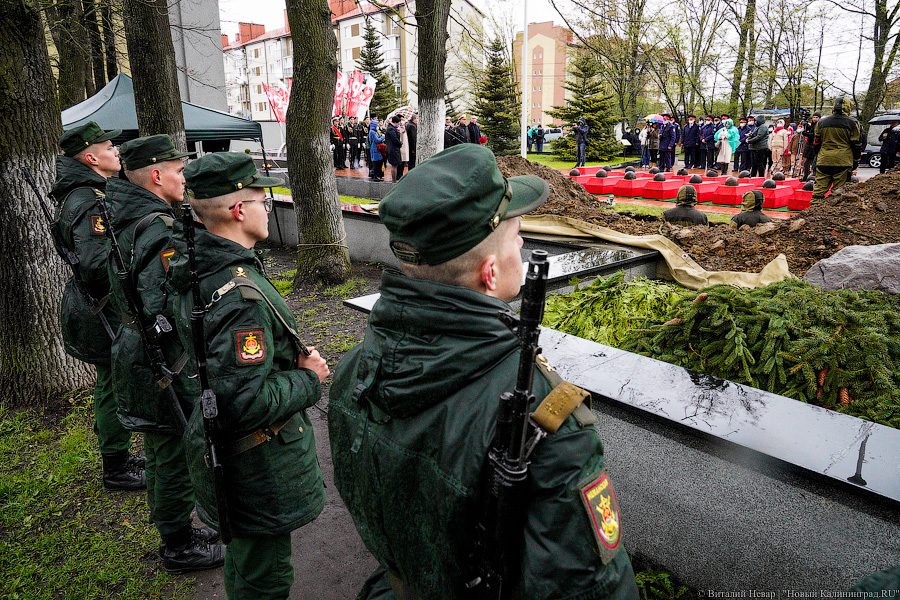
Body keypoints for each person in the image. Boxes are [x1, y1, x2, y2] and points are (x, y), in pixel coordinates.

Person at [328, 143, 639, 600]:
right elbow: (591, 588)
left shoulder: (356, 368)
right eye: (517, 238)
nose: (523, 246)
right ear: (490, 274)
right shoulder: (544, 420)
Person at [169, 153, 330, 599]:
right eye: (264, 199)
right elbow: (243, 399)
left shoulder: (200, 266)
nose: (268, 207)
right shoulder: (240, 295)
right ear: (239, 210)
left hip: (225, 451)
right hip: (254, 463)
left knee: (245, 561)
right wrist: (308, 378)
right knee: (266, 575)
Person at [105, 135, 225, 574]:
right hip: (158, 358)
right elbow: (165, 305)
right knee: (172, 451)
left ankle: (174, 531)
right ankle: (178, 545)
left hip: (135, 348)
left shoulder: (124, 214)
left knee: (161, 450)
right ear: (156, 175)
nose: (184, 177)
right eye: (178, 170)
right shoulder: (156, 227)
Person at [51, 121, 145, 491]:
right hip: (101, 308)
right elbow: (95, 265)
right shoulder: (90, 199)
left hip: (95, 305)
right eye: (110, 147)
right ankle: (116, 466)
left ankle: (117, 453)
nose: (117, 152)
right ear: (91, 157)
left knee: (111, 382)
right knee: (111, 383)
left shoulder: (87, 192)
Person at [812, 96, 863, 204]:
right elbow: (856, 144)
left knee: (818, 190)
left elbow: (816, 143)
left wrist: (817, 156)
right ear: (848, 107)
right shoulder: (853, 123)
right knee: (838, 192)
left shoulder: (821, 122)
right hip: (843, 161)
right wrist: (856, 160)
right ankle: (833, 214)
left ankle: (813, 214)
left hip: (824, 159)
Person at [801, 112, 821, 180]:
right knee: (807, 163)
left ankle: (810, 177)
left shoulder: (818, 125)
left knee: (811, 163)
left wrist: (804, 133)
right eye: (814, 117)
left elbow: (813, 134)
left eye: (816, 117)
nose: (815, 119)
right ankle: (806, 176)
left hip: (814, 146)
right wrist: (806, 126)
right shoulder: (813, 124)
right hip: (809, 145)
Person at [386, 115, 404, 182]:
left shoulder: (392, 128)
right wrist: (400, 143)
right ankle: (394, 180)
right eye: (398, 123)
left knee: (395, 165)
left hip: (393, 149)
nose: (398, 125)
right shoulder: (391, 129)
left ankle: (394, 179)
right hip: (393, 149)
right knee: (394, 165)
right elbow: (395, 139)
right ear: (395, 122)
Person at [369, 116, 386, 181]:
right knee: (376, 163)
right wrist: (382, 137)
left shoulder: (374, 131)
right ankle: (375, 176)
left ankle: (378, 175)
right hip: (375, 149)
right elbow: (377, 140)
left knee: (379, 163)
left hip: (377, 149)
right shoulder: (372, 132)